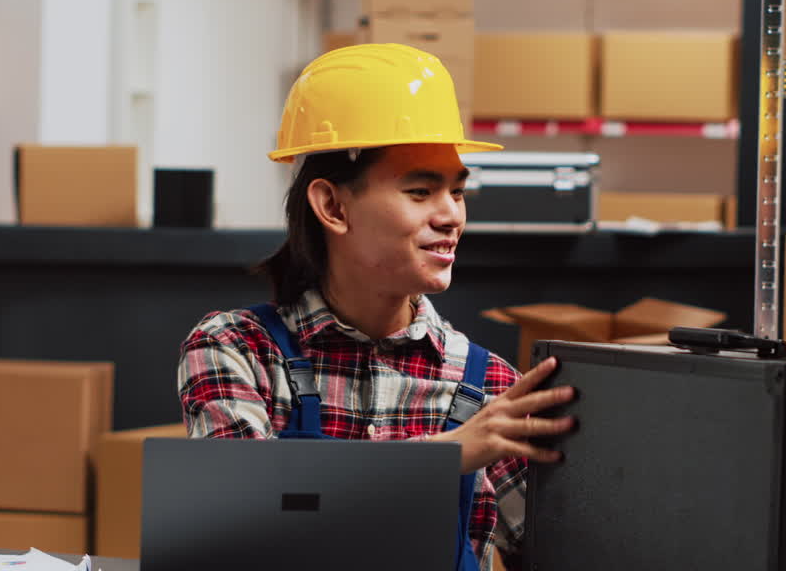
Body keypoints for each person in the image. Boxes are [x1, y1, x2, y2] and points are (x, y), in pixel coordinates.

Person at [177, 43, 575, 571]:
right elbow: (237, 518)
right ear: (333, 206)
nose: (451, 215)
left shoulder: (490, 389)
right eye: (419, 190)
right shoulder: (236, 350)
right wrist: (448, 454)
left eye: (457, 191)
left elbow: (565, 550)